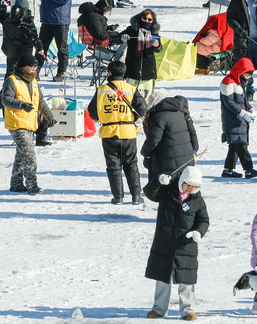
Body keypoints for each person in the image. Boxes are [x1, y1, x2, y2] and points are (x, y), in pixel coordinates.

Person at [145, 166, 208, 320]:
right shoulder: (167, 192)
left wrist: (198, 232)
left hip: (186, 246)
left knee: (186, 280)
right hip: (164, 243)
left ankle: (187, 310)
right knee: (162, 277)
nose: (189, 189)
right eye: (187, 185)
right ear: (181, 181)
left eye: (193, 187)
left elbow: (203, 220)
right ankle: (159, 309)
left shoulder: (197, 200)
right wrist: (158, 181)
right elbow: (149, 193)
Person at [88, 60, 146, 205]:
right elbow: (142, 109)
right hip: (128, 132)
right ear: (124, 73)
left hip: (108, 132)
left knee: (113, 166)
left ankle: (118, 197)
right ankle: (136, 196)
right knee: (131, 164)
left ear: (109, 73)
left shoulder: (101, 90)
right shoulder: (131, 89)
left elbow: (92, 113)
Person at [0, 53, 47, 194]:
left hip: (29, 123)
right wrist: (21, 105)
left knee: (21, 154)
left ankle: (16, 183)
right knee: (29, 154)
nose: (34, 69)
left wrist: (49, 116)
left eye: (35, 66)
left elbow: (41, 101)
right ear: (23, 66)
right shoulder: (11, 80)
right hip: (16, 123)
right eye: (31, 66)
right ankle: (32, 185)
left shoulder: (34, 81)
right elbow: (5, 100)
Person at [141, 93, 199, 198]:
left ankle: (170, 209)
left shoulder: (159, 117)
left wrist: (144, 152)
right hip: (185, 157)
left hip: (170, 158)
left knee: (168, 188)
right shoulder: (179, 113)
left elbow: (153, 140)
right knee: (181, 185)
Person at [219, 57, 257, 179]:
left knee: (234, 145)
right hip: (232, 119)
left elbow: (243, 100)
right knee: (241, 145)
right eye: (247, 74)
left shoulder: (239, 82)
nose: (248, 77)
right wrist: (243, 113)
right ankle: (249, 169)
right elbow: (229, 103)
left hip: (239, 119)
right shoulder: (228, 82)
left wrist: (250, 108)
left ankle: (228, 170)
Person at [35, 0, 74, 81]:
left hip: (60, 20)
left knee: (62, 48)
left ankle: (61, 72)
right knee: (41, 47)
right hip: (47, 19)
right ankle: (35, 71)